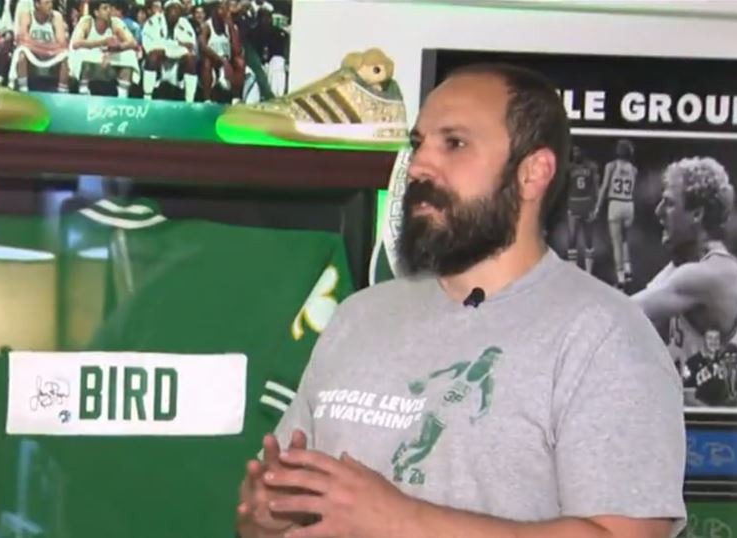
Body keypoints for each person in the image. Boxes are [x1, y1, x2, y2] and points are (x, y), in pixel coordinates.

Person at [236, 63, 686, 538]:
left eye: (454, 144)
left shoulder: (603, 335)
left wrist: (402, 521)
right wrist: (269, 517)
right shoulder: (359, 316)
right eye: (417, 144)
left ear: (533, 173)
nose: (420, 166)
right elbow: (292, 509)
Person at [633, 156, 737, 409]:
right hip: (712, 430)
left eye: (669, 204)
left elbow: (621, 314)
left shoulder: (711, 275)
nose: (658, 211)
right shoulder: (681, 270)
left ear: (697, 214)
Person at [68, 0, 140, 97]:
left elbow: (133, 42)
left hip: (109, 58)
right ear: (96, 12)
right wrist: (103, 42)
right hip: (91, 60)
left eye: (110, 8)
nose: (109, 11)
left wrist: (117, 47)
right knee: (82, 53)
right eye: (105, 8)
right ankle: (83, 93)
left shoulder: (115, 22)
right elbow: (76, 43)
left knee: (129, 55)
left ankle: (122, 97)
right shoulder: (87, 21)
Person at [595, 138, 638, 289]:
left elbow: (604, 187)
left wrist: (597, 208)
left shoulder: (611, 166)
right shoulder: (633, 169)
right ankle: (628, 269)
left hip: (615, 203)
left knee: (616, 243)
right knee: (625, 240)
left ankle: (620, 277)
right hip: (629, 203)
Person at [141, 0, 199, 102]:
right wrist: (177, 45)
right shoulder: (153, 21)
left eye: (177, 10)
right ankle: (147, 98)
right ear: (165, 11)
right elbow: (150, 46)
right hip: (159, 63)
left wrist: (169, 47)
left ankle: (189, 101)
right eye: (171, 9)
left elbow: (191, 46)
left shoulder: (184, 23)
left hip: (177, 64)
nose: (174, 13)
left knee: (190, 59)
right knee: (154, 55)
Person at [11, 0, 70, 92]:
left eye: (51, 2)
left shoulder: (56, 16)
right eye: (47, 3)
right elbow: (22, 40)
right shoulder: (27, 15)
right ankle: (23, 88)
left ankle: (62, 90)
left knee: (65, 55)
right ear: (37, 4)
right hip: (34, 53)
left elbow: (62, 43)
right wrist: (47, 48)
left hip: (49, 55)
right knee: (22, 52)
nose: (50, 5)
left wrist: (36, 45)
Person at [565, 143, 600, 272]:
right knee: (572, 238)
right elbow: (566, 188)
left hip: (585, 203)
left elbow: (595, 188)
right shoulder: (569, 168)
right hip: (574, 203)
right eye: (574, 152)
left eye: (578, 151)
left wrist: (595, 205)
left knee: (588, 238)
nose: (576, 154)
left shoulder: (591, 167)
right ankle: (573, 269)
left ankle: (589, 271)